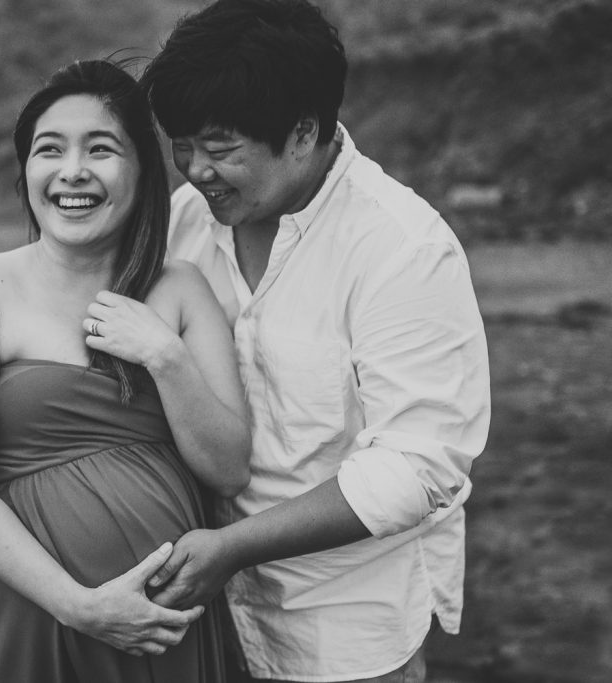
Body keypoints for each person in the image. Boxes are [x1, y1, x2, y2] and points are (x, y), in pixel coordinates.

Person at [139, 1, 492, 681]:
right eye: (182, 145)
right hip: (198, 626)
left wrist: (232, 547)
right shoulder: (184, 223)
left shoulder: (401, 247)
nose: (194, 169)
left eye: (219, 148)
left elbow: (418, 467)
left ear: (302, 133)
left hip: (341, 631)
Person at [0, 59, 251, 683]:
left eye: (101, 149)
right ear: (27, 171)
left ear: (142, 171)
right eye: (49, 150)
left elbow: (227, 469)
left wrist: (164, 356)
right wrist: (80, 607)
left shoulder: (180, 288)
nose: (73, 171)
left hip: (164, 616)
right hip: (32, 606)